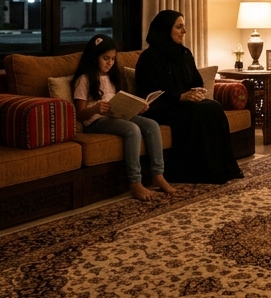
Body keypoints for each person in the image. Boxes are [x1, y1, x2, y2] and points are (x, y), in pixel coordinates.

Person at [135, 10, 244, 184]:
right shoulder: (149, 58)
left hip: (185, 104)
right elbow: (150, 94)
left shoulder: (184, 53)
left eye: (183, 27)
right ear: (165, 29)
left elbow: (197, 81)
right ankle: (200, 171)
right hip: (162, 107)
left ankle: (223, 167)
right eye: (179, 27)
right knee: (200, 112)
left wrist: (197, 92)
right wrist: (180, 97)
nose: (184, 31)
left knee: (213, 106)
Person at [69, 34, 176, 201]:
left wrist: (136, 108)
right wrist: (95, 108)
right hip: (96, 122)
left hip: (117, 116)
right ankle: (135, 182)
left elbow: (121, 103)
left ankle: (158, 174)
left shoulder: (113, 77)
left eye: (113, 59)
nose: (110, 63)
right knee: (132, 130)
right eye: (105, 58)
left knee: (151, 125)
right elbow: (80, 113)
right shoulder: (84, 79)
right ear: (94, 57)